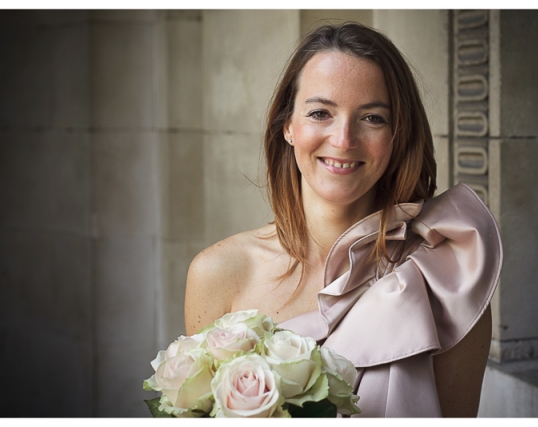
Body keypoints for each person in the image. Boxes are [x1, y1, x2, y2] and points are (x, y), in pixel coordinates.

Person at [184, 23, 502, 417]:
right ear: (288, 126)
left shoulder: (446, 281)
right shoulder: (217, 274)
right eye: (320, 113)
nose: (343, 139)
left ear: (398, 135)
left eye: (372, 118)